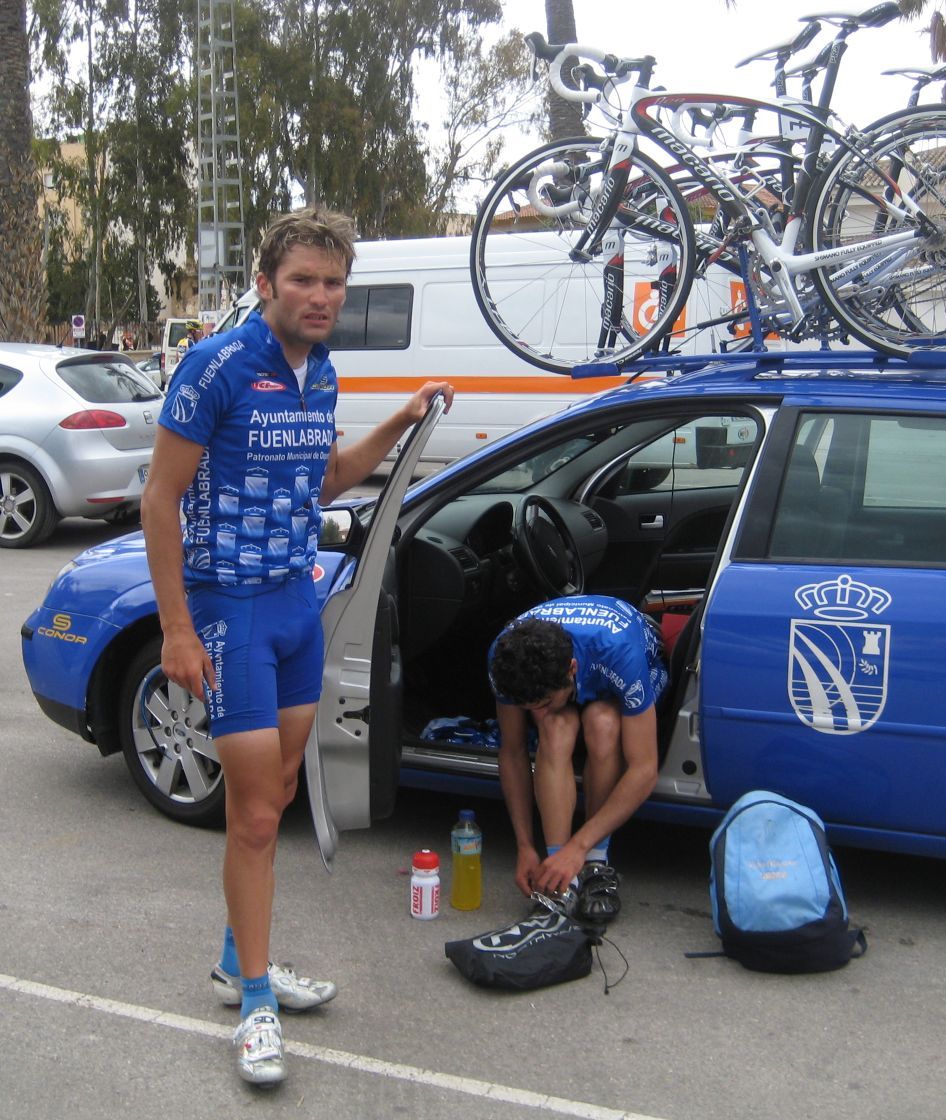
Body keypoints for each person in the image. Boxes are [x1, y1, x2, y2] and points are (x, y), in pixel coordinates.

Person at [141, 207, 453, 1088]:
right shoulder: (217, 365)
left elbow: (327, 479)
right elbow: (160, 499)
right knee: (252, 817)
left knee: (277, 795)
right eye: (304, 280)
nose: (321, 296)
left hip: (293, 605)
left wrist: (401, 421)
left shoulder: (321, 374)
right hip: (229, 609)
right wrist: (175, 627)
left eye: (333, 282)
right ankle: (254, 1001)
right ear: (265, 282)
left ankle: (236, 959)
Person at [488, 595, 668, 927]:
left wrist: (579, 847)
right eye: (529, 708)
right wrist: (525, 846)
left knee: (603, 724)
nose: (537, 712)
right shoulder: (504, 655)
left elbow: (644, 770)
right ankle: (559, 873)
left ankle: (595, 865)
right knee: (553, 726)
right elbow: (512, 752)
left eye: (544, 702)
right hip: (576, 669)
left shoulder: (620, 653)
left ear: (571, 670)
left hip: (617, 664)